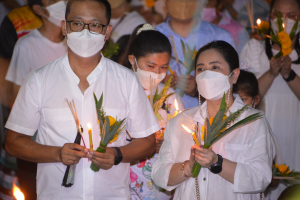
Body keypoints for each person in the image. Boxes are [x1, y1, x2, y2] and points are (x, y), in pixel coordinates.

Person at [5, 0, 159, 199]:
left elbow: (147, 140)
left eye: (95, 25)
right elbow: (13, 142)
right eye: (77, 23)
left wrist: (117, 154)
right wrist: (57, 153)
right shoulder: (39, 80)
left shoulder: (126, 80)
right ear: (64, 27)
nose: (85, 32)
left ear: (107, 31)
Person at [152, 41, 275, 200]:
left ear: (234, 75)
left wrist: (217, 162)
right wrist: (188, 167)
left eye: (215, 67)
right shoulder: (180, 122)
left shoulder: (252, 122)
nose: (206, 75)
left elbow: (261, 178)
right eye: (201, 69)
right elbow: (159, 175)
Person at [240, 0, 300, 199]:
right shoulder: (254, 48)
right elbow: (243, 98)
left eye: (292, 16)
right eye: (277, 15)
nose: (284, 21)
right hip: (261, 138)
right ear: (269, 18)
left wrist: (289, 74)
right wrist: (272, 72)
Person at [125, 23, 184, 200]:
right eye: (150, 66)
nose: (157, 73)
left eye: (163, 67)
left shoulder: (170, 96)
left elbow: (183, 133)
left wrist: (167, 142)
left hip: (159, 178)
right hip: (125, 174)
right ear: (132, 60)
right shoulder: (119, 91)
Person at [155, 0, 235, 109]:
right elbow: (138, 83)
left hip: (209, 119)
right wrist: (159, 82)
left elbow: (234, 84)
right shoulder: (152, 36)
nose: (183, 3)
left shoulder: (221, 36)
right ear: (165, 2)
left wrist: (198, 89)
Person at [6, 0, 68, 101]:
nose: (61, 2)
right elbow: (19, 96)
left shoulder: (73, 41)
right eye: (53, 1)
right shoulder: (26, 46)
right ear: (39, 10)